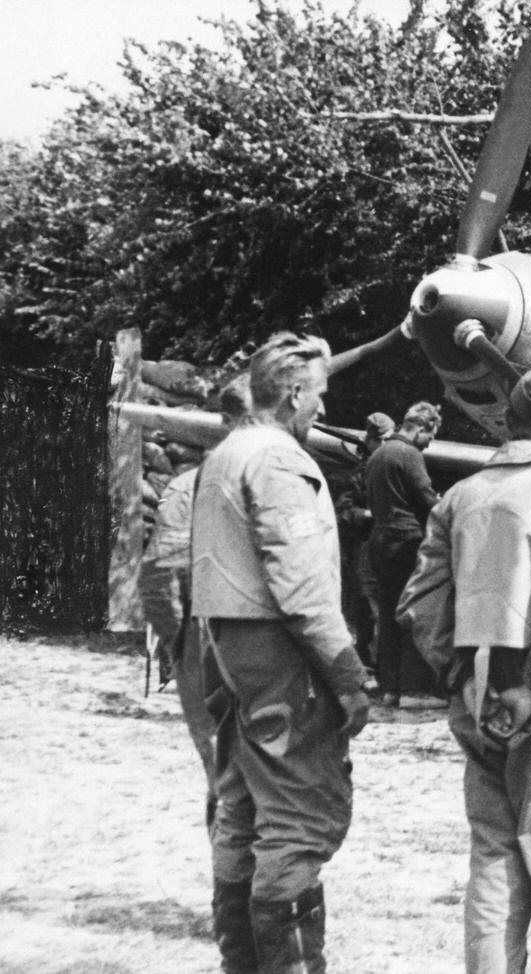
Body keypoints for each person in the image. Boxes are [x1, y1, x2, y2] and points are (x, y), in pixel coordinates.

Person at [398, 366, 531, 974]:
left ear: (509, 422)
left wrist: (461, 676)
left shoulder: (459, 496)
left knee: (493, 865)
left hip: (479, 684)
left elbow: (419, 603)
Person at [190, 332, 371, 974]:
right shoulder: (277, 461)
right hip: (280, 653)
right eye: (319, 394)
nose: (322, 407)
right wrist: (347, 675)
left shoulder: (227, 453)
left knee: (243, 807)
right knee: (299, 813)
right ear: (295, 393)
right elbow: (301, 586)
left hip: (228, 649)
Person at [138, 374, 252, 831]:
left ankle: (237, 891)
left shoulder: (189, 485)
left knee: (224, 766)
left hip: (209, 638)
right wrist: (182, 639)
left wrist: (179, 640)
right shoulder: (272, 480)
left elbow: (159, 574)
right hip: (229, 641)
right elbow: (160, 573)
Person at [365, 400, 441, 707]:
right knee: (416, 612)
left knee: (387, 614)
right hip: (406, 542)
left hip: (379, 541)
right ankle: (415, 690)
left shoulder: (377, 455)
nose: (429, 443)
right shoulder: (409, 454)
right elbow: (426, 499)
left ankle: (389, 688)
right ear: (421, 428)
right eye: (431, 436)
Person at [336, 411, 396, 676]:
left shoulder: (396, 467)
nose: (384, 446)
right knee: (367, 610)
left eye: (388, 440)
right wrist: (372, 514)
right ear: (369, 441)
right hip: (365, 547)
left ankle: (388, 668)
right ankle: (368, 665)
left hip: (392, 545)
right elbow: (345, 512)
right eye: (379, 440)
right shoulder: (356, 476)